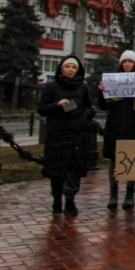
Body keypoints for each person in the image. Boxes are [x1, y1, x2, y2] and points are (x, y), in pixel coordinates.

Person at [38, 55, 94, 216]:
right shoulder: (52, 86)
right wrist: (57, 105)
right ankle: (57, 200)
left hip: (76, 135)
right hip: (57, 135)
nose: (71, 70)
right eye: (67, 66)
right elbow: (41, 109)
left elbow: (89, 107)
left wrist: (83, 117)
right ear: (61, 68)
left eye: (74, 67)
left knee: (73, 170)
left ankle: (70, 200)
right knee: (56, 170)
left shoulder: (82, 87)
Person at [98, 50, 135, 211]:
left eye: (130, 62)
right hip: (114, 126)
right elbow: (103, 105)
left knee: (131, 161)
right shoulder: (112, 81)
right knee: (113, 160)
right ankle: (113, 195)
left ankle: (129, 195)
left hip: (133, 127)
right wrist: (102, 91)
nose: (127, 64)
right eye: (125, 62)